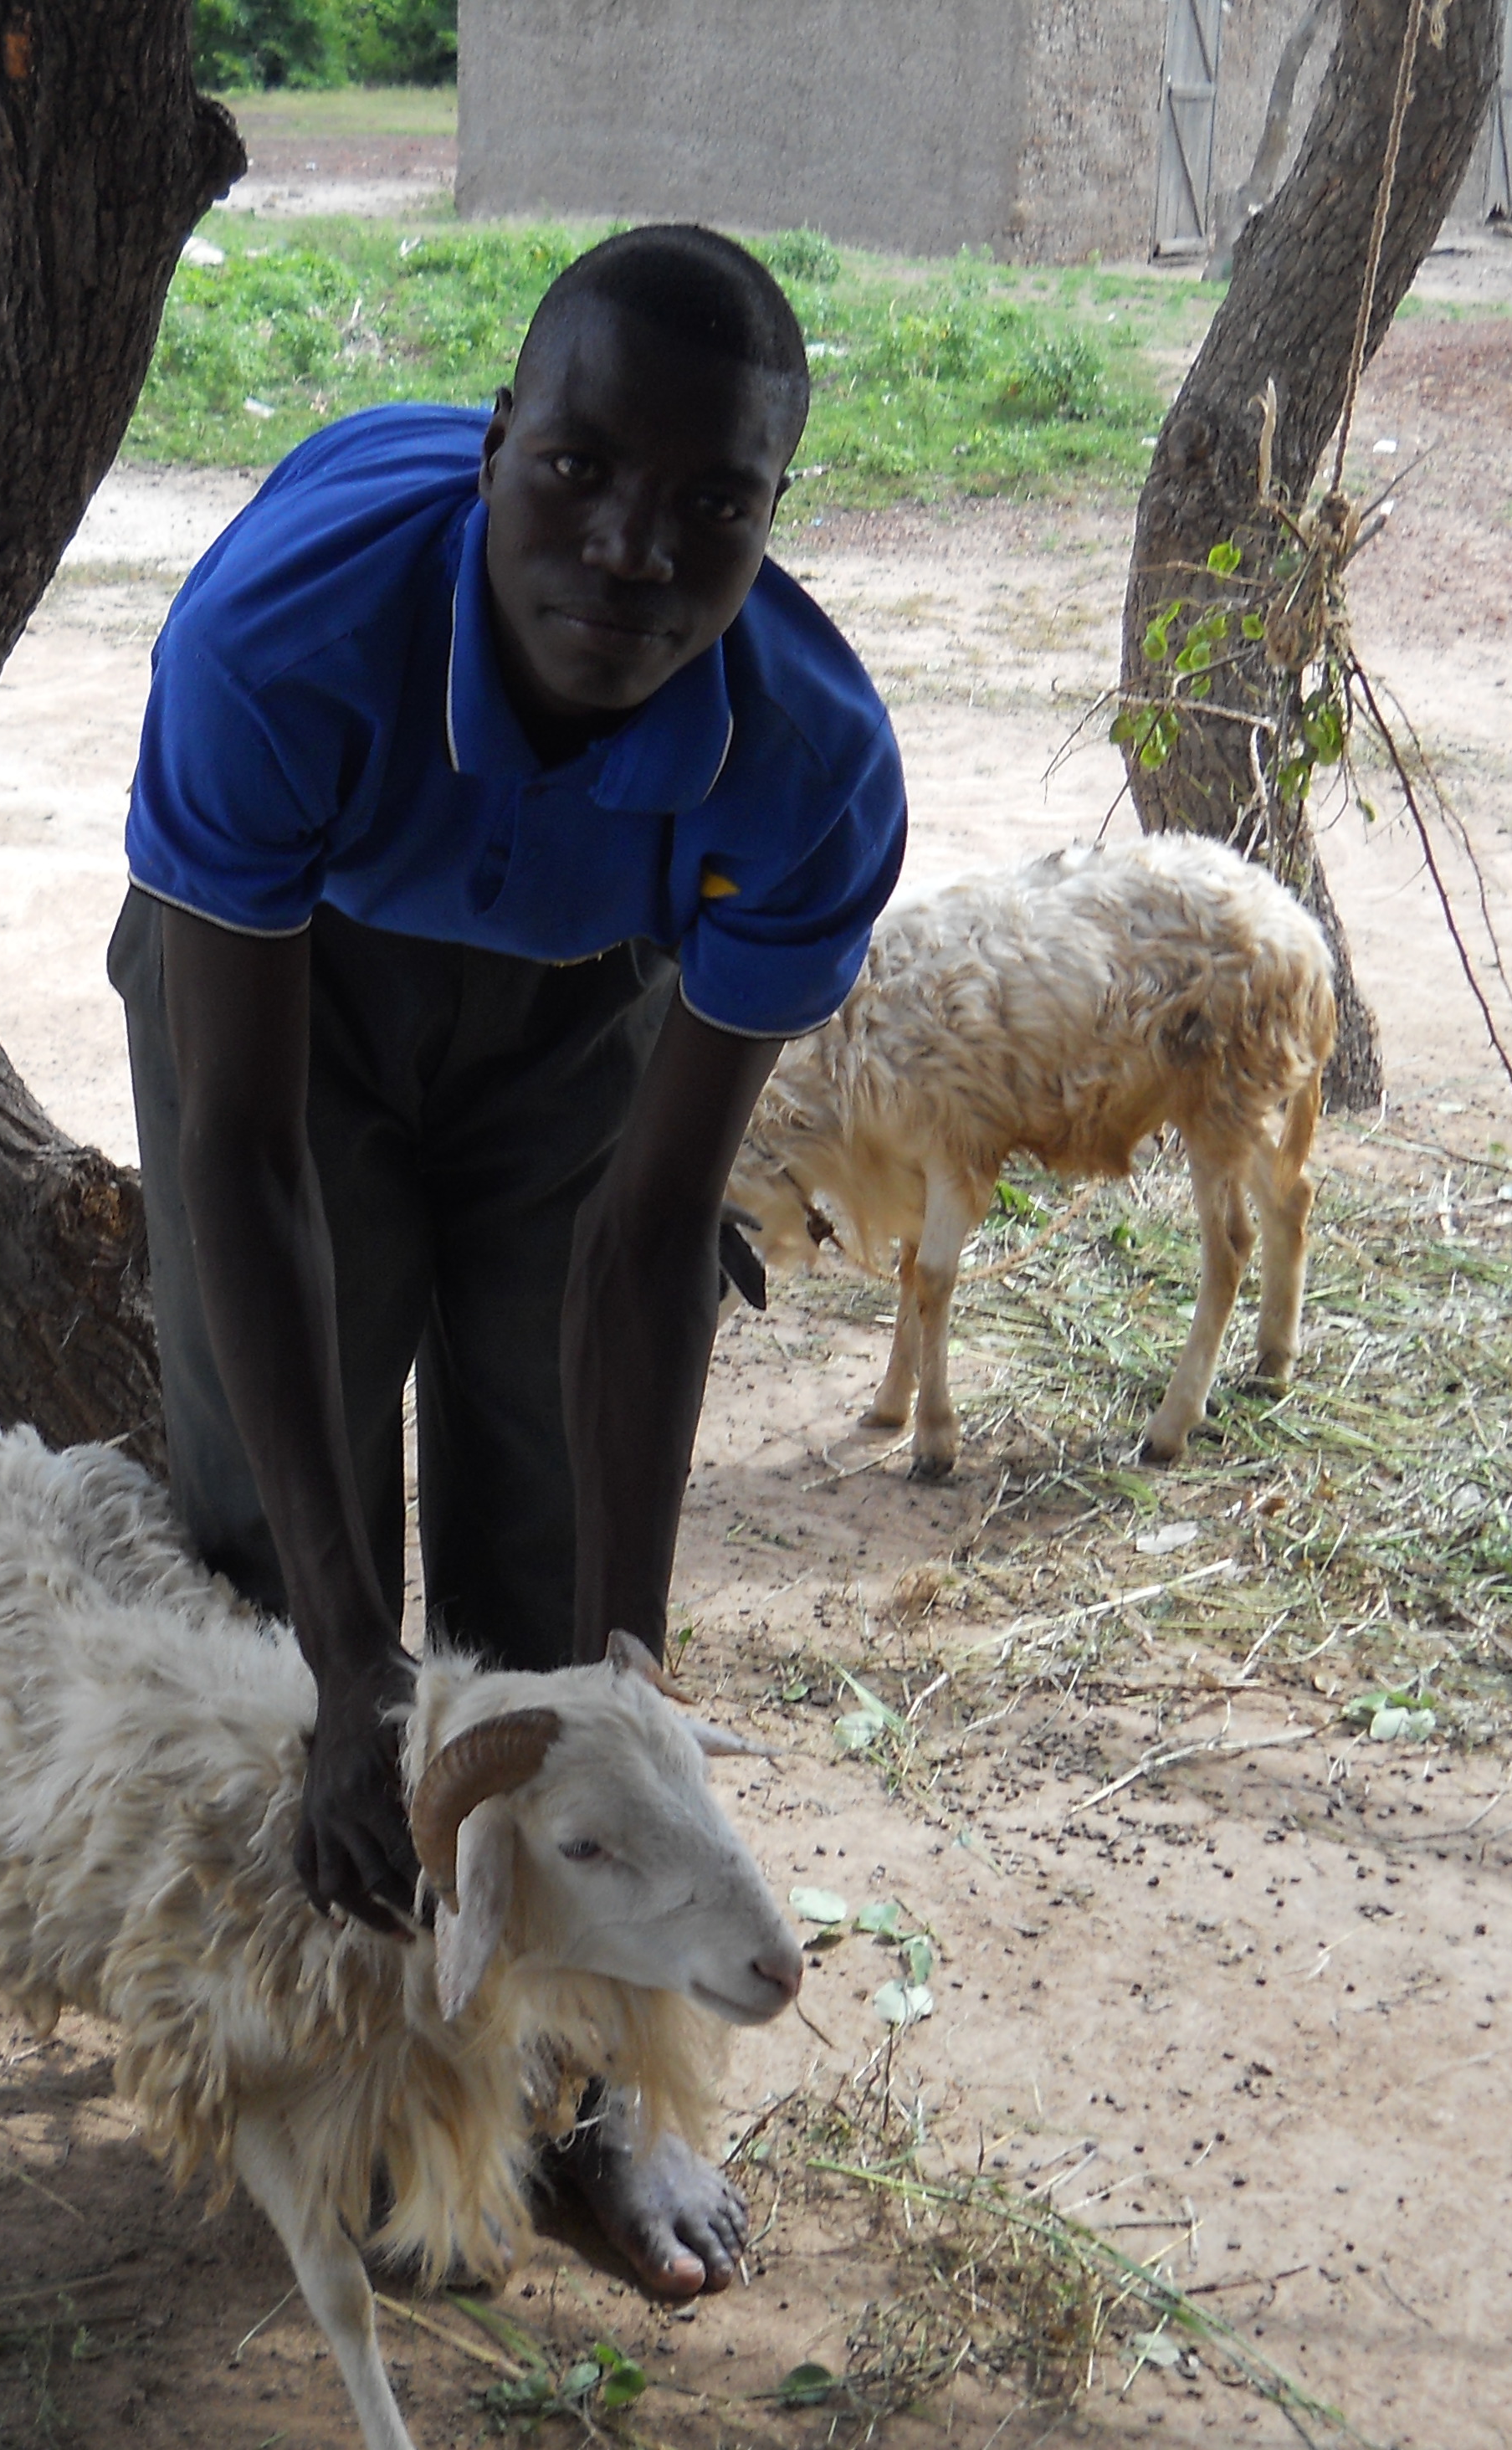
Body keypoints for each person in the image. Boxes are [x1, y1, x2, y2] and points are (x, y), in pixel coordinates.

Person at [109, 224, 905, 2299]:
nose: (633, 549)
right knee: (289, 1587)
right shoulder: (281, 641)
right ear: (493, 449)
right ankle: (343, 2075)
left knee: (549, 1595)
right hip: (290, 1002)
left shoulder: (807, 770)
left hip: (582, 1006)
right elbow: (244, 1147)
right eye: (575, 471)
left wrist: (621, 1663)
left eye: (709, 503)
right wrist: (361, 1667)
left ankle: (578, 2114)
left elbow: (647, 1236)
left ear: (765, 516)